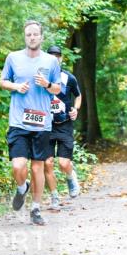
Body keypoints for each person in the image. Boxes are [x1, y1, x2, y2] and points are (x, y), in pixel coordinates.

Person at [0, 20, 63, 225]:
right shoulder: (13, 58)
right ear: (25, 37)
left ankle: (35, 208)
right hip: (19, 121)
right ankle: (21, 188)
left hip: (42, 122)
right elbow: (2, 82)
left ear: (41, 37)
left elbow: (58, 89)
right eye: (29, 35)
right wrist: (16, 87)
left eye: (36, 34)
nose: (32, 37)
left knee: (37, 167)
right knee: (18, 166)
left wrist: (47, 84)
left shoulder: (50, 62)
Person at [43, 45, 82, 210]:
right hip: (46, 126)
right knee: (47, 163)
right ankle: (54, 197)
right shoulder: (41, 78)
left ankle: (70, 176)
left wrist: (75, 109)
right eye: (51, 55)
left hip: (65, 125)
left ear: (61, 58)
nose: (54, 58)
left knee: (64, 163)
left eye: (57, 56)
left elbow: (78, 96)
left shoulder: (69, 78)